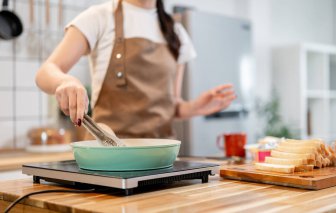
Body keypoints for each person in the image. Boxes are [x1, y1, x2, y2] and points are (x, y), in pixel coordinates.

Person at [35, 0, 236, 140]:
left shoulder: (175, 32)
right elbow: (46, 71)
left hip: (160, 159)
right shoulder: (99, 17)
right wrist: (66, 81)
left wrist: (196, 107)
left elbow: (171, 106)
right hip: (108, 159)